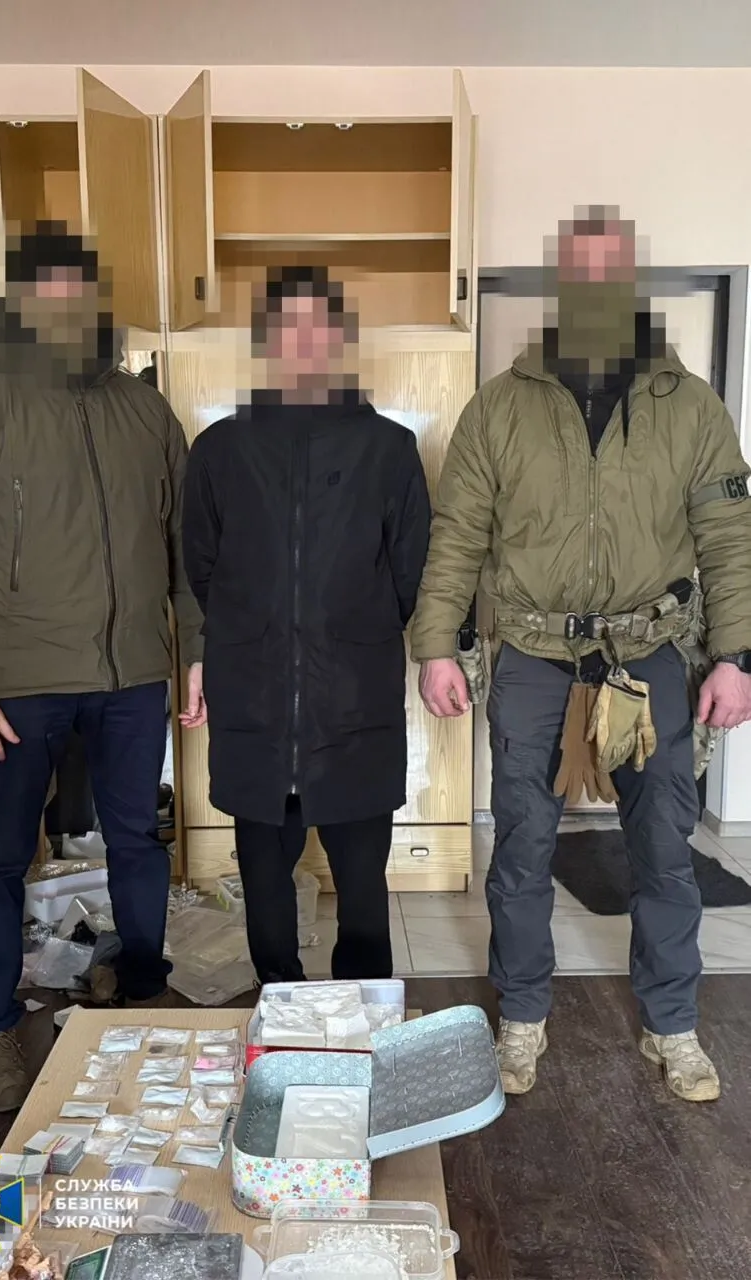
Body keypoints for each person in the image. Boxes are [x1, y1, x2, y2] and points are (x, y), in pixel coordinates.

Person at [411, 207, 751, 1103]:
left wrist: (735, 655)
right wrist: (435, 643)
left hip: (652, 652)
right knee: (521, 846)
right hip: (532, 655)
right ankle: (522, 1017)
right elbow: (456, 535)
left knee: (664, 847)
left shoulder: (691, 407)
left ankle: (671, 1025)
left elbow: (729, 540)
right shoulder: (499, 405)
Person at [0, 224, 204, 1112]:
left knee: (139, 841)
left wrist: (195, 653)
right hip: (13, 683)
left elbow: (187, 547)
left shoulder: (143, 409)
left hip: (132, 673)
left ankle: (143, 989)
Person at [181, 266, 431, 984]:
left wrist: (347, 630)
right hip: (255, 701)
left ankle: (364, 1012)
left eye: (317, 326)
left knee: (362, 891)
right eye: (286, 327)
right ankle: (281, 1009)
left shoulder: (387, 448)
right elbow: (201, 566)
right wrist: (254, 632)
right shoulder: (220, 449)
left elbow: (409, 568)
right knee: (265, 889)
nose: (303, 341)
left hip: (353, 701)